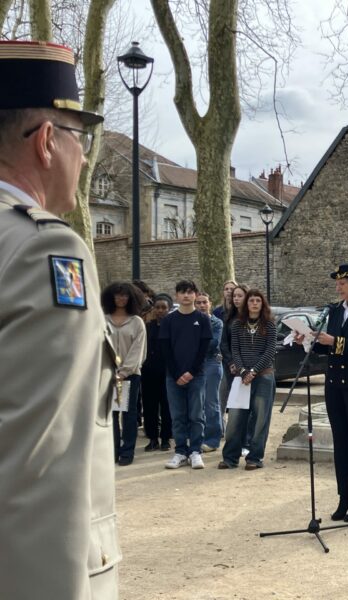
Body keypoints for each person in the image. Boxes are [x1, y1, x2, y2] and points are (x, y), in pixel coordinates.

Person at [0, 40, 120, 598]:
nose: (85, 157)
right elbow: (43, 468)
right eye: (81, 137)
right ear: (47, 141)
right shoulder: (42, 250)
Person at [298, 264, 348, 522]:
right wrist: (309, 341)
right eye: (336, 284)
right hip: (334, 384)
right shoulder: (334, 311)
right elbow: (327, 348)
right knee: (341, 443)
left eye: (342, 283)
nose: (338, 288)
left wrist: (333, 341)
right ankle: (344, 497)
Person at [219, 289, 277, 470]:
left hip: (263, 376)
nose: (254, 303)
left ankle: (255, 458)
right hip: (241, 377)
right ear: (247, 304)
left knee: (260, 419)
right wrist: (243, 371)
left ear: (262, 304)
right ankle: (230, 458)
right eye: (251, 300)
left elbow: (269, 351)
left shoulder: (269, 325)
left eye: (258, 300)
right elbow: (235, 350)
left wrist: (254, 371)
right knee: (235, 418)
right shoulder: (237, 324)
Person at [159, 279, 212, 469]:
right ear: (177, 296)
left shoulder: (203, 319)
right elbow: (166, 350)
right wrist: (177, 374)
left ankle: (195, 451)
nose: (186, 295)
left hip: (197, 375)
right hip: (173, 376)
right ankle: (180, 451)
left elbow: (203, 350)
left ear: (195, 295)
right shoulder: (168, 320)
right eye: (182, 292)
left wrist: (191, 372)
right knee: (178, 416)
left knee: (196, 415)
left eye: (190, 292)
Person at [102, 281, 147, 466]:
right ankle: (111, 451)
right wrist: (109, 371)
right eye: (117, 294)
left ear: (131, 298)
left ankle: (127, 451)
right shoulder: (103, 320)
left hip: (130, 375)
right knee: (110, 414)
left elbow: (139, 350)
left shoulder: (137, 322)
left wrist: (124, 372)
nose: (121, 298)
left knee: (128, 414)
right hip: (107, 374)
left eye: (125, 295)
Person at [141, 293, 173, 452]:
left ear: (169, 309)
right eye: (157, 307)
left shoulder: (173, 327)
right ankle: (152, 438)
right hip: (149, 371)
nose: (160, 310)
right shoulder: (147, 327)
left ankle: (166, 438)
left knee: (167, 405)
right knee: (149, 406)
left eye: (164, 308)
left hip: (167, 371)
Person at [196, 291, 224, 452]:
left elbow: (213, 344)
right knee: (197, 402)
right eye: (198, 302)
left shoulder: (216, 323)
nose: (202, 305)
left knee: (211, 402)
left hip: (211, 362)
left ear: (210, 304)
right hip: (194, 363)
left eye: (204, 302)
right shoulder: (191, 321)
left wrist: (194, 343)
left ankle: (213, 440)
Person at [219, 284, 248, 427]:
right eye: (234, 296)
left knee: (247, 402)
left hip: (249, 365)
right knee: (232, 400)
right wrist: (231, 362)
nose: (236, 299)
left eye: (239, 296)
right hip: (231, 365)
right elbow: (224, 342)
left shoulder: (253, 317)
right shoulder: (229, 317)